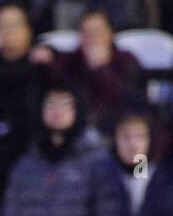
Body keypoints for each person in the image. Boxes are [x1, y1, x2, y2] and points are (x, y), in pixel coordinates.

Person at [0, 81, 128, 216]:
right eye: (50, 104)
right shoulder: (26, 166)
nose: (57, 112)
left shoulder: (99, 164)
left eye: (65, 105)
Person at [38, 8, 145, 137]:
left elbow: (130, 99)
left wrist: (101, 69)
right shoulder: (73, 60)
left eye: (97, 32)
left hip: (116, 128)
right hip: (77, 130)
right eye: (86, 33)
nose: (92, 38)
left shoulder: (126, 60)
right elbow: (58, 79)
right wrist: (48, 54)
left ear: (110, 34)